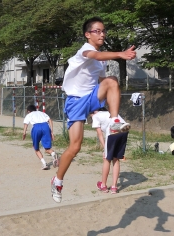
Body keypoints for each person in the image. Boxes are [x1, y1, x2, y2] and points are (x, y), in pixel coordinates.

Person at [51, 16, 135, 203]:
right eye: (97, 31)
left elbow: (102, 81)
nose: (102, 34)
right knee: (75, 147)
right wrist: (121, 54)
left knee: (112, 80)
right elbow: (96, 55)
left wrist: (101, 105)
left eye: (104, 31)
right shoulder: (86, 50)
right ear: (87, 34)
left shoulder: (101, 61)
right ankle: (57, 180)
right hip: (75, 102)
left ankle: (114, 122)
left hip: (90, 98)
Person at [90, 107, 130, 194]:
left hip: (112, 132)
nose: (91, 116)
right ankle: (114, 187)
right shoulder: (111, 112)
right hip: (124, 131)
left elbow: (100, 134)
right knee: (116, 158)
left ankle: (103, 185)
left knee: (107, 159)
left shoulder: (95, 116)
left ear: (93, 112)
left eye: (90, 114)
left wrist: (105, 148)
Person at [23, 105, 59, 170]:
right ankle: (53, 153)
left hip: (36, 127)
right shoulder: (42, 113)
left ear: (28, 111)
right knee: (47, 148)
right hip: (45, 126)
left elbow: (26, 124)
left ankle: (44, 164)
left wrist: (24, 132)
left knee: (36, 149)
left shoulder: (29, 115)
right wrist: (51, 132)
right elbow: (50, 120)